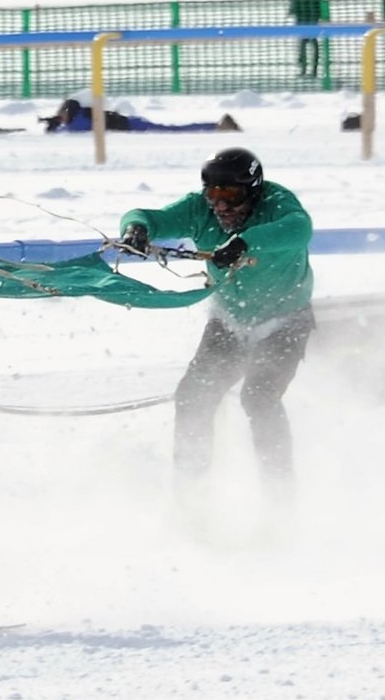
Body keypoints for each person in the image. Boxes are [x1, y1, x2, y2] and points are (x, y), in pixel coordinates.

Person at [118, 148, 314, 503]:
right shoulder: (200, 209)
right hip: (230, 321)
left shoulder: (278, 202)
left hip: (285, 321)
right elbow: (148, 216)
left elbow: (299, 230)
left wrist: (244, 242)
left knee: (259, 399)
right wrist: (136, 229)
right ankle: (191, 500)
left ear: (254, 190)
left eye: (231, 196)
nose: (221, 206)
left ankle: (280, 501)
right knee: (193, 398)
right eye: (213, 195)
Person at [40, 97, 241, 134]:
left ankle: (215, 127)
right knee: (172, 128)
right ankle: (216, 125)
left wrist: (55, 125)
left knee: (173, 129)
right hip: (132, 123)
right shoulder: (81, 115)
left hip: (133, 126)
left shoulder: (79, 122)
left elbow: (73, 130)